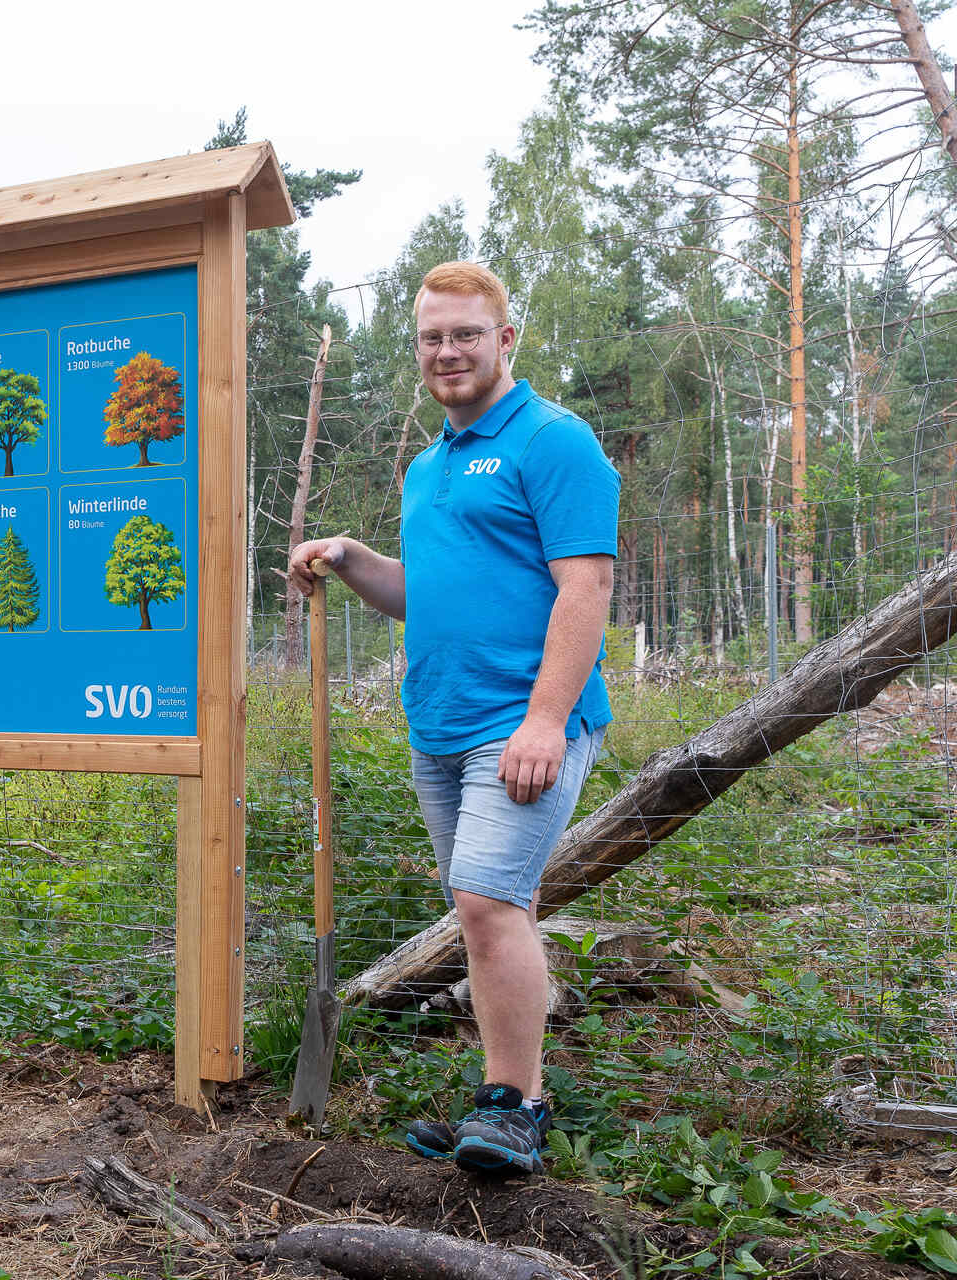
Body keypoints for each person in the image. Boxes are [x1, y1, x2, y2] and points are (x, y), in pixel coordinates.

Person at [289, 261, 619, 1176]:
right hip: (439, 727)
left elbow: (585, 586)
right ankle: (506, 1097)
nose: (447, 351)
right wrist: (354, 558)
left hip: (521, 725)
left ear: (505, 339)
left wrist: (545, 721)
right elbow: (424, 595)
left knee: (484, 902)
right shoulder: (428, 466)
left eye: (466, 333)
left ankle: (514, 1106)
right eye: (432, 336)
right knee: (492, 910)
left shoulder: (555, 441)